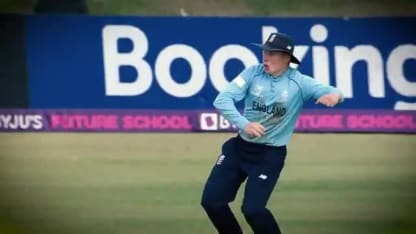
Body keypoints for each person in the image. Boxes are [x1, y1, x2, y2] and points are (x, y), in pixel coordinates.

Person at [200, 32, 343, 234]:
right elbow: (222, 100)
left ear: (286, 58)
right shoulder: (252, 73)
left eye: (273, 53)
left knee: (253, 210)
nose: (266, 57)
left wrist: (334, 97)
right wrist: (244, 123)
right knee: (211, 202)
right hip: (239, 149)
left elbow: (335, 92)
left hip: (269, 156)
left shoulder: (299, 83)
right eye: (265, 51)